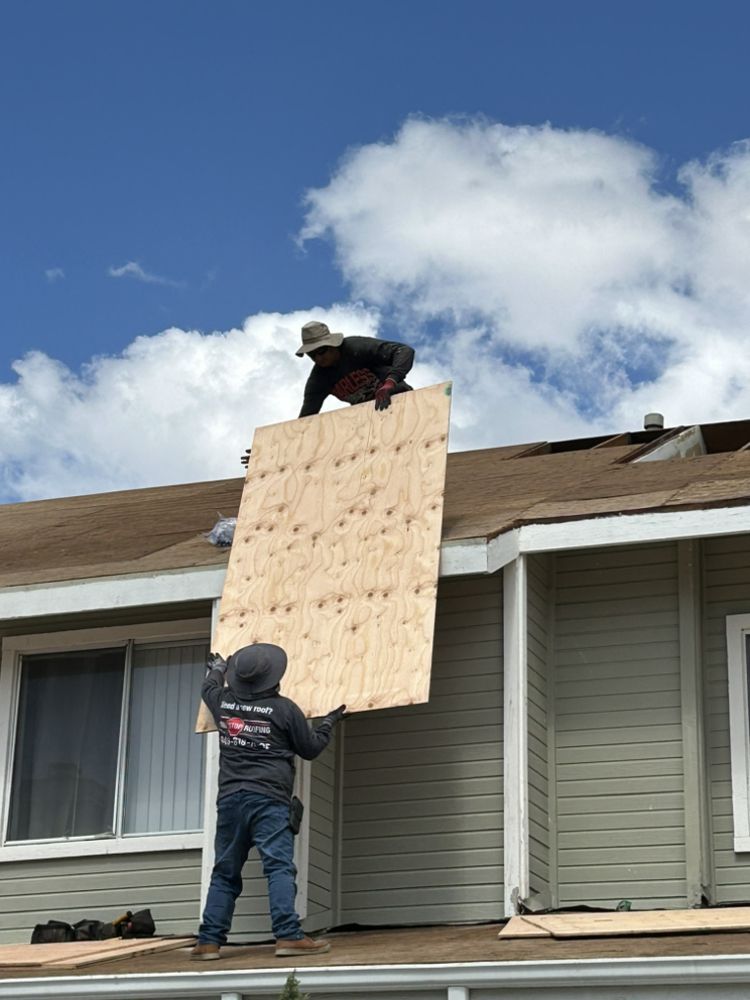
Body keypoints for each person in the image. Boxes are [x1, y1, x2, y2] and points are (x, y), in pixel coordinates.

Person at [191, 643, 346, 961]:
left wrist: (217, 668)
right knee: (278, 867)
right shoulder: (284, 710)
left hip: (230, 801)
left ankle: (208, 942)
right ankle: (288, 936)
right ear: (273, 678)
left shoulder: (224, 702)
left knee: (225, 872)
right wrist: (329, 723)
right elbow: (310, 749)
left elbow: (208, 687)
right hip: (269, 801)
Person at [296, 320, 415, 417]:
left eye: (321, 351)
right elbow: (306, 418)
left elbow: (404, 351)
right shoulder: (318, 380)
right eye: (311, 355)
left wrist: (390, 382)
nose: (318, 358)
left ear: (332, 344)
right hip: (368, 417)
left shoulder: (357, 348)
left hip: (401, 401)